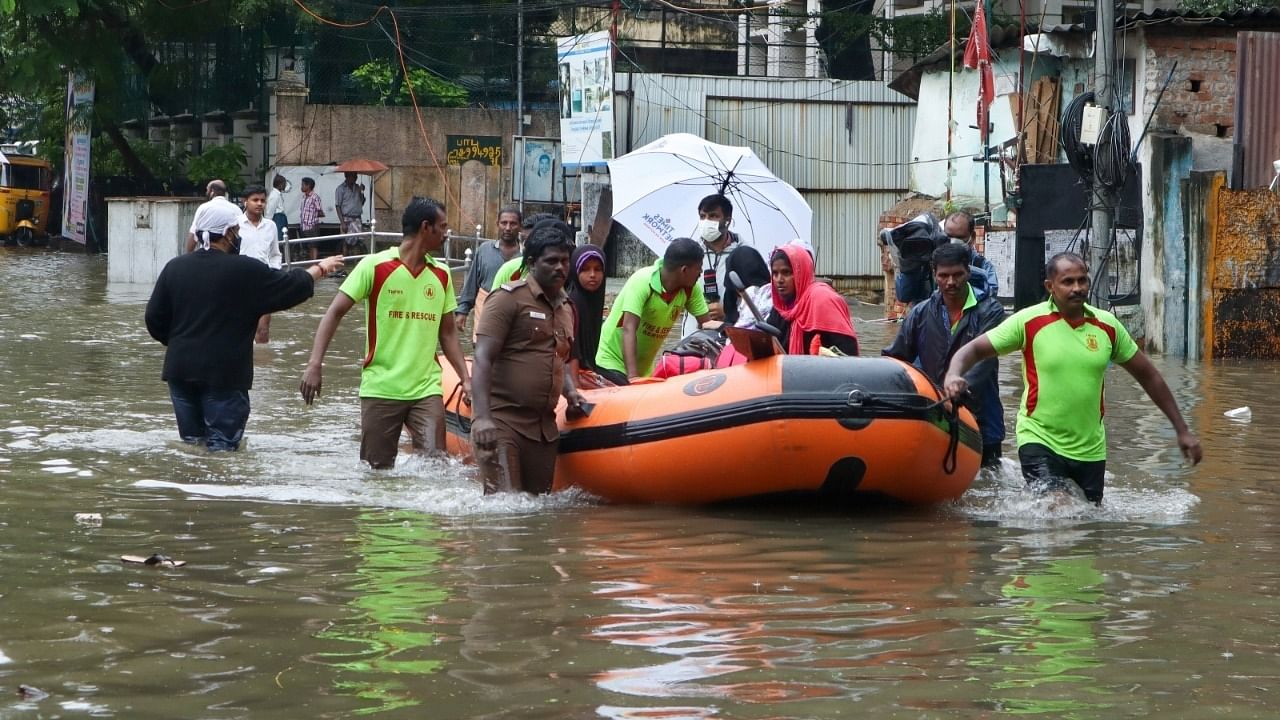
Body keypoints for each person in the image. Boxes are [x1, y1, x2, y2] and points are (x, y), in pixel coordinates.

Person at [943, 252, 1203, 504]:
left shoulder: (1107, 326)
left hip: (1090, 448)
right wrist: (954, 375)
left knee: (1088, 527)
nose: (1077, 288)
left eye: (1082, 280)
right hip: (1039, 439)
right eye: (1068, 281)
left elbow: (1150, 376)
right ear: (1050, 286)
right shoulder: (1029, 322)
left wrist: (1182, 430)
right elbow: (973, 350)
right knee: (1058, 506)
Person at [146, 204, 344, 451]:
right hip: (225, 374)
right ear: (228, 233)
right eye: (236, 231)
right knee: (223, 450)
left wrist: (180, 342)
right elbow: (288, 286)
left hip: (179, 371)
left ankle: (192, 487)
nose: (238, 236)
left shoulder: (175, 268)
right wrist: (320, 268)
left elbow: (153, 318)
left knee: (192, 446)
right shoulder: (244, 270)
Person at [300, 197, 472, 469]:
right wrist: (314, 364)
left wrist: (466, 378)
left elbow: (448, 334)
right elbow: (334, 313)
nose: (446, 233)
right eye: (443, 226)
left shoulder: (441, 274)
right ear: (426, 227)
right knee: (376, 471)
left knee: (434, 467)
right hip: (381, 387)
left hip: (426, 388)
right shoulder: (374, 266)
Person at [470, 225, 586, 495]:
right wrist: (483, 418)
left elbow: (560, 358)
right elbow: (483, 358)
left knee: (535, 513)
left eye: (565, 261)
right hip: (502, 422)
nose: (560, 268)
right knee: (507, 511)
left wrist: (571, 392)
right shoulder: (507, 299)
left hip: (544, 428)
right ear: (532, 263)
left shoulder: (567, 308)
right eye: (552, 261)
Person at [883, 243, 1006, 467]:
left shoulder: (991, 311)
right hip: (935, 419)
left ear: (968, 271)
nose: (951, 282)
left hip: (982, 419)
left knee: (987, 484)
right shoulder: (920, 313)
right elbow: (897, 359)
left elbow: (983, 362)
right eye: (944, 276)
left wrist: (953, 391)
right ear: (934, 274)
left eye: (958, 274)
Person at [594, 238, 711, 385]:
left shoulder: (691, 289)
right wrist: (633, 377)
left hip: (643, 369)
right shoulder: (643, 281)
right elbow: (628, 328)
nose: (701, 272)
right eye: (698, 268)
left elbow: (707, 324)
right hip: (611, 361)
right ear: (684, 270)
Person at [680, 194, 771, 336]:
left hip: (730, 334)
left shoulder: (744, 255)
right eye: (702, 216)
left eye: (713, 216)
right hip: (692, 335)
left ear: (727, 220)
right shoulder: (689, 252)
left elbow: (757, 298)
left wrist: (727, 311)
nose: (706, 221)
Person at [765, 242, 858, 356]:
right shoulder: (781, 308)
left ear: (800, 273)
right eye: (775, 274)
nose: (779, 279)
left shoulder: (822, 300)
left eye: (786, 272)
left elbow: (847, 353)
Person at [456, 206, 522, 341]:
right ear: (497, 224)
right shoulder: (484, 250)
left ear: (520, 226)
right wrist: (462, 311)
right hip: (486, 308)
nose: (508, 228)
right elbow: (472, 282)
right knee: (482, 349)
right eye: (504, 223)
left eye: (513, 223)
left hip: (517, 312)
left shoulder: (526, 255)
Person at [235, 185, 283, 344]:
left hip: (264, 282)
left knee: (263, 331)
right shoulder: (235, 225)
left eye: (263, 200)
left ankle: (263, 366)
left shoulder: (271, 226)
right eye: (255, 200)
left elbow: (275, 254)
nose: (259, 204)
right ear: (245, 202)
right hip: (239, 282)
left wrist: (274, 273)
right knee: (240, 328)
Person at [567, 244, 607, 377]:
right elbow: (572, 350)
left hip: (589, 367)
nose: (592, 275)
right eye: (585, 269)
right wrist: (576, 388)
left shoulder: (594, 299)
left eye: (598, 269)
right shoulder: (573, 302)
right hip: (574, 373)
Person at [940, 210, 1000, 297]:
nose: (953, 242)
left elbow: (990, 296)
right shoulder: (936, 263)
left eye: (959, 237)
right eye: (949, 236)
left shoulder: (983, 266)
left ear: (972, 237)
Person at [185, 179, 236, 253]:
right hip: (230, 256)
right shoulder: (236, 209)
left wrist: (188, 256)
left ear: (212, 191)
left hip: (207, 254)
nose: (206, 192)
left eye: (207, 190)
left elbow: (193, 234)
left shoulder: (204, 208)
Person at [335, 171, 365, 250]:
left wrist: (362, 192)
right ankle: (345, 261)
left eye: (356, 176)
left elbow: (361, 202)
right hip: (346, 218)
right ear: (346, 176)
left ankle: (355, 261)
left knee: (357, 242)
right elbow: (338, 206)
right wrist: (342, 223)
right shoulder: (340, 189)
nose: (355, 178)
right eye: (353, 176)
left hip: (357, 218)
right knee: (345, 242)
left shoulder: (358, 187)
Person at [299, 176, 325, 262]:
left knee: (314, 245)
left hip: (312, 225)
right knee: (309, 246)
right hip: (304, 225)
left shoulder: (314, 197)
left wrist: (313, 216)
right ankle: (311, 262)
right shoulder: (303, 197)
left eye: (303, 185)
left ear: (308, 186)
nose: (301, 186)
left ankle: (314, 263)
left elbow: (320, 211)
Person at [266, 174, 289, 244]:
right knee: (279, 238)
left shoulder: (278, 194)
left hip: (281, 218)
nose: (285, 186)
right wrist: (268, 223)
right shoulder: (274, 195)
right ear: (280, 185)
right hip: (277, 218)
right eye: (284, 184)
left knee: (283, 237)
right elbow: (270, 211)